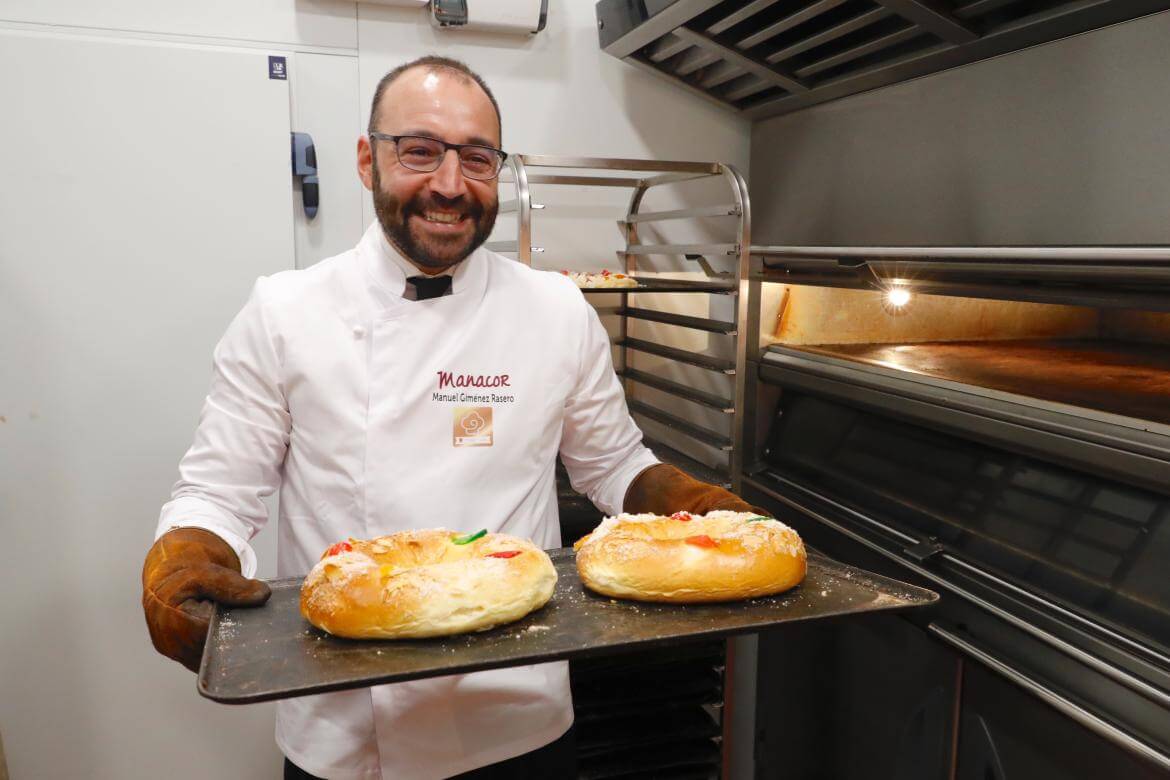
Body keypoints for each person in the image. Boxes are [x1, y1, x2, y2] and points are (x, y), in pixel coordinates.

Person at [141, 55, 756, 780]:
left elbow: (614, 463)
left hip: (519, 714)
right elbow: (220, 490)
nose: (449, 185)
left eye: (477, 158)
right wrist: (184, 556)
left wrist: (694, 509)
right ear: (368, 159)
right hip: (348, 731)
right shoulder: (284, 313)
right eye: (420, 150)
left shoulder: (556, 311)